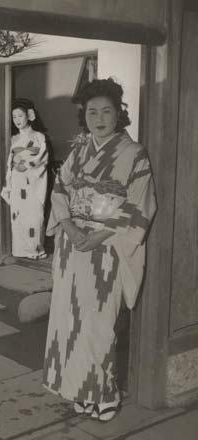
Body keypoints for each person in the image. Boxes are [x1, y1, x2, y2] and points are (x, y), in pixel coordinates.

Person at [42, 78, 157, 422]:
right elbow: (59, 192)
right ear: (84, 116)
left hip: (107, 249)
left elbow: (141, 204)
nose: (99, 118)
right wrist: (70, 227)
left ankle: (104, 393)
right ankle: (80, 390)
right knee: (69, 320)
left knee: (98, 323)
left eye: (107, 111)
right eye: (92, 112)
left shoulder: (134, 154)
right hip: (72, 245)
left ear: (119, 114)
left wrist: (100, 233)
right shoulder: (78, 152)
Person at [1, 98, 49, 259]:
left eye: (20, 116)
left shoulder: (39, 137)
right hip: (17, 180)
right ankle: (20, 250)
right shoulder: (13, 139)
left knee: (35, 216)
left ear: (29, 115)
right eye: (14, 117)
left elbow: (43, 159)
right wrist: (9, 181)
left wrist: (28, 166)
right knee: (19, 216)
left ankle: (36, 249)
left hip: (34, 181)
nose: (17, 120)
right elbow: (10, 163)